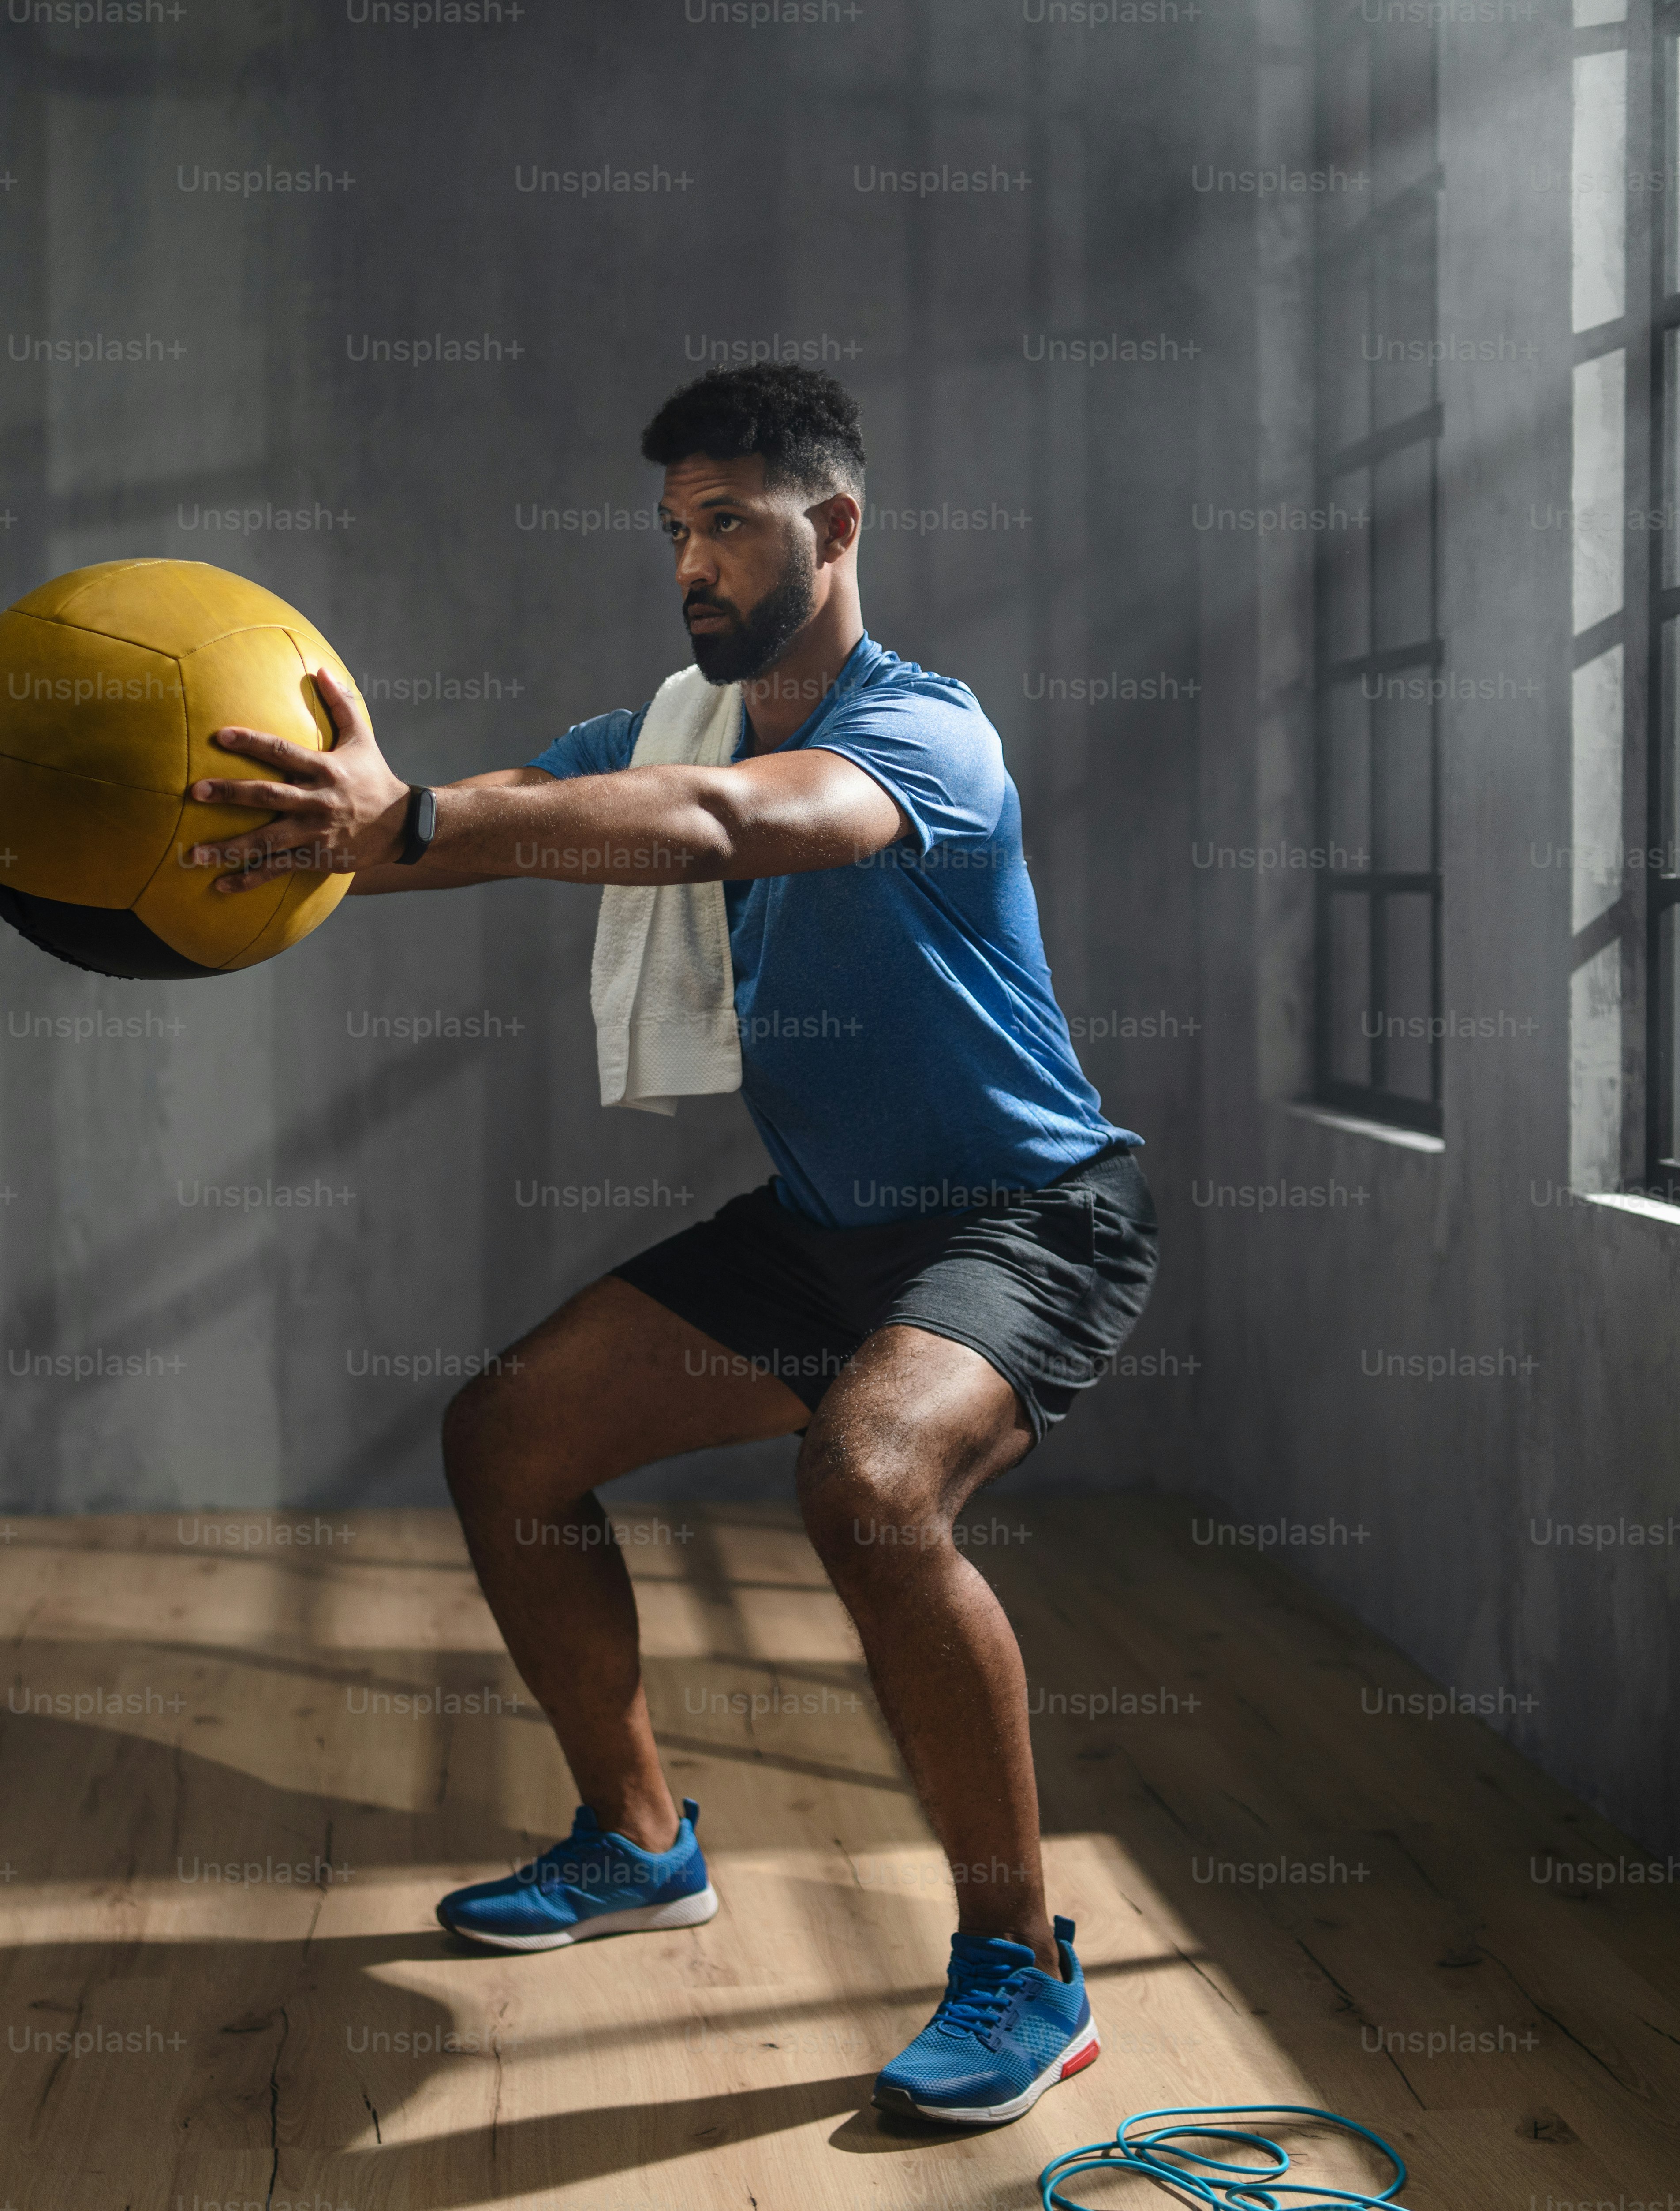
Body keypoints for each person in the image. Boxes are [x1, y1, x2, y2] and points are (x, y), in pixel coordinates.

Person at [179, 363, 1156, 2127]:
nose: (689, 567)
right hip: (824, 1231)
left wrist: (413, 820)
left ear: (830, 527)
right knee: (509, 1437)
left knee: (869, 1483)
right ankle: (637, 1843)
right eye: (671, 533)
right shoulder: (672, 734)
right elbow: (486, 823)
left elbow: (730, 829)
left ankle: (1020, 1959)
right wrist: (309, 839)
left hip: (1028, 1221)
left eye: (725, 526)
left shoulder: (922, 734)